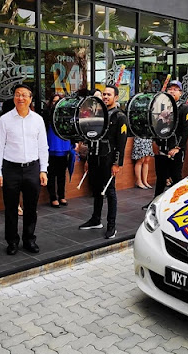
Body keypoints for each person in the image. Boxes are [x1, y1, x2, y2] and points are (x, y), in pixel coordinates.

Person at [0, 84, 48, 255]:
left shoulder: (38, 120)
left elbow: (42, 147)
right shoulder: (5, 120)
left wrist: (43, 169)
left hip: (32, 168)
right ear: (14, 98)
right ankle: (12, 242)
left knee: (31, 208)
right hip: (11, 169)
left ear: (30, 98)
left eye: (24, 95)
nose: (20, 98)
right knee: (10, 208)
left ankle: (29, 240)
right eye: (17, 94)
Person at [79, 85, 128, 239]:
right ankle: (95, 219)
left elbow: (121, 142)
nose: (105, 97)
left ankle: (111, 226)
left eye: (109, 94)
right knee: (96, 189)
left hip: (108, 158)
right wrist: (87, 159)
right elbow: (91, 137)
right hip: (94, 157)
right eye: (104, 94)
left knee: (110, 192)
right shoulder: (98, 113)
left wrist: (117, 163)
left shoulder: (120, 116)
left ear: (116, 97)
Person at [152, 80, 188, 197]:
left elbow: (186, 129)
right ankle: (156, 200)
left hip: (175, 148)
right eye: (170, 89)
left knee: (175, 177)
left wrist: (178, 147)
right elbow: (155, 124)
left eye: (175, 89)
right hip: (161, 147)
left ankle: (177, 201)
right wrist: (154, 141)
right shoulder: (161, 106)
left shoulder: (183, 108)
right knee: (160, 177)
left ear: (180, 93)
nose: (172, 91)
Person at [46, 93, 74, 207]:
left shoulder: (67, 115)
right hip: (51, 148)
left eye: (59, 101)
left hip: (64, 148)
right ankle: (53, 197)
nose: (56, 104)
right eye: (54, 101)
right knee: (51, 175)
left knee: (62, 175)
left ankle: (62, 196)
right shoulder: (47, 115)